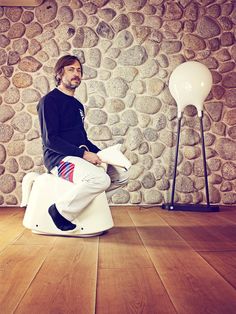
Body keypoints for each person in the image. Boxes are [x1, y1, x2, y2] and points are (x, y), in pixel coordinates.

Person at [37, 55, 129, 232]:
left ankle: (85, 205)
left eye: (79, 70)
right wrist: (84, 155)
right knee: (100, 179)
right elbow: (51, 140)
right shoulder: (49, 101)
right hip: (58, 160)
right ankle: (60, 211)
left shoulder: (78, 105)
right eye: (71, 69)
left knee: (122, 175)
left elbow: (82, 140)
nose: (76, 73)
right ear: (59, 73)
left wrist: (104, 155)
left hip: (78, 157)